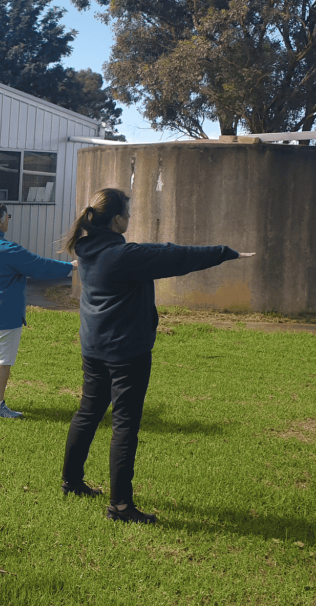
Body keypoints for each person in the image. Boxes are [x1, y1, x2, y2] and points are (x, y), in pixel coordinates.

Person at [59, 188, 255, 523]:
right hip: (125, 352)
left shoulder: (87, 249)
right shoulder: (123, 255)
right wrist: (226, 253)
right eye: (128, 213)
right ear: (117, 219)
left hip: (94, 347)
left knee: (88, 412)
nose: (131, 218)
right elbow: (175, 256)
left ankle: (71, 482)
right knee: (124, 424)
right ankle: (120, 507)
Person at [0, 199, 76, 419]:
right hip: (3, 313)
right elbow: (39, 266)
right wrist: (70, 266)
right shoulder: (7, 249)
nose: (8, 220)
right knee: (1, 359)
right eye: (7, 217)